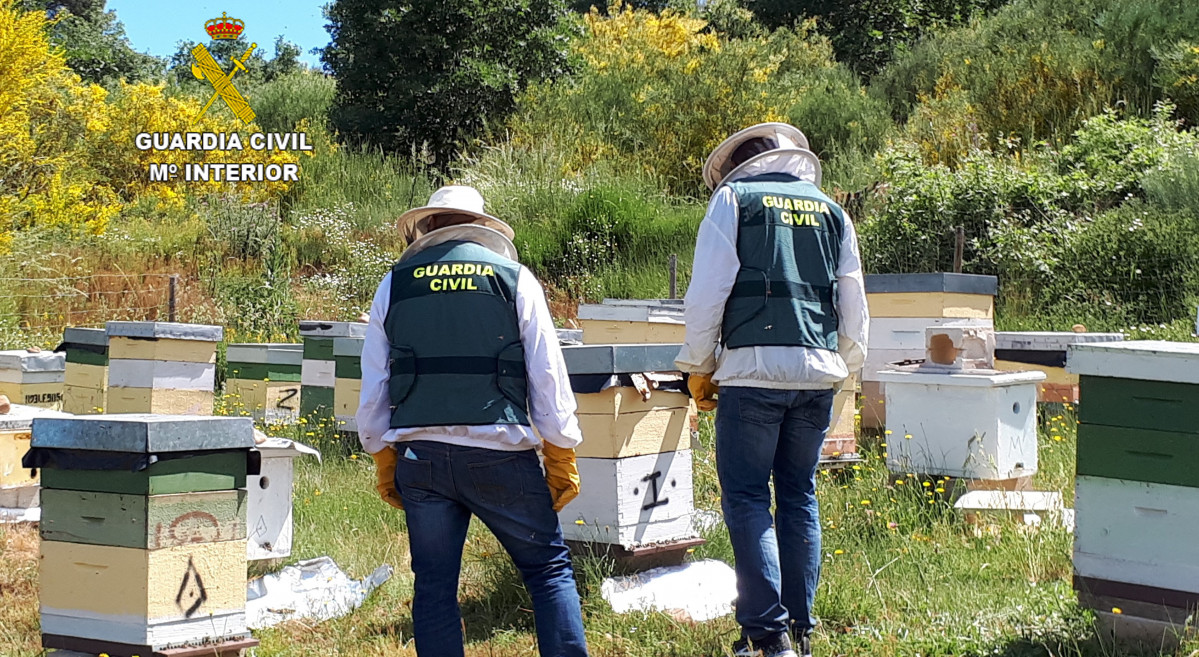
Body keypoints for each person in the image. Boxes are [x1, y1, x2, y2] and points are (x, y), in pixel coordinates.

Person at [357, 185, 590, 657]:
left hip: (420, 459)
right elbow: (548, 372)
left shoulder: (394, 284)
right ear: (481, 228)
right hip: (500, 455)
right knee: (547, 571)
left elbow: (374, 383)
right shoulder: (514, 277)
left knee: (435, 587)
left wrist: (380, 452)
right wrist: (561, 448)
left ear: (427, 228)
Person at [675, 123, 869, 657]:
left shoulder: (734, 200)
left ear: (739, 164)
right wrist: (844, 365)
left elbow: (707, 293)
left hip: (751, 374)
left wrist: (699, 364)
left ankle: (767, 634)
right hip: (819, 373)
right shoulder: (833, 211)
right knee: (799, 494)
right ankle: (801, 630)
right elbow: (853, 303)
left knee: (746, 496)